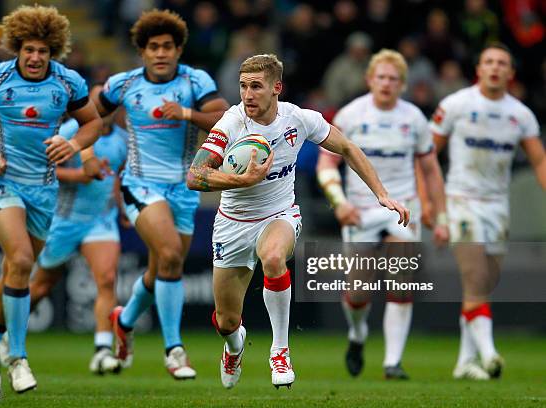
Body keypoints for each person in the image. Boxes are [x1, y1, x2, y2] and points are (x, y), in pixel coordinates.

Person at [186, 54, 410, 389]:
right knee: (226, 321)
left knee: (274, 258)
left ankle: (280, 352)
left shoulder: (298, 119)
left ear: (277, 87)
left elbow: (347, 147)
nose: (247, 94)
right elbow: (196, 175)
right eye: (243, 86)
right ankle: (234, 347)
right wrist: (241, 181)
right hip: (232, 224)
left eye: (256, 87)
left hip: (279, 216)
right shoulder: (231, 123)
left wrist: (381, 193)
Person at [0, 5, 102, 392]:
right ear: (17, 48)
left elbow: (92, 122)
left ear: (53, 52)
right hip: (1, 181)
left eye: (42, 51)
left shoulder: (69, 83)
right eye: (28, 49)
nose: (34, 57)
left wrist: (73, 142)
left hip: (44, 189)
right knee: (22, 259)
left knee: (17, 272)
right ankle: (17, 357)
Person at [91, 9, 229, 379]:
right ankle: (174, 351)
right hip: (140, 185)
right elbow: (91, 110)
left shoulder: (194, 81)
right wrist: (84, 147)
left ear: (178, 49)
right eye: (153, 47)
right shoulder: (125, 84)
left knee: (163, 269)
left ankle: (125, 320)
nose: (161, 53)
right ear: (142, 51)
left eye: (168, 46)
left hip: (184, 189)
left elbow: (223, 117)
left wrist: (185, 113)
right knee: (169, 255)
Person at [315, 49, 449, 380]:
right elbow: (326, 162)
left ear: (402, 84)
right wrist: (339, 201)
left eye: (393, 78)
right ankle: (357, 335)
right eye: (381, 77)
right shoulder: (349, 115)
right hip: (360, 210)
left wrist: (440, 215)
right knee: (359, 290)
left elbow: (430, 169)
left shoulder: (414, 118)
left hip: (401, 208)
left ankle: (392, 362)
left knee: (401, 279)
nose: (387, 83)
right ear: (369, 80)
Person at [429, 43, 545, 380]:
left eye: (502, 63)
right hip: (461, 199)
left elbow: (538, 158)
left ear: (511, 73)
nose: (495, 68)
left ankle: (464, 362)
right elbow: (427, 153)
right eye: (489, 62)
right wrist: (432, 203)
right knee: (475, 275)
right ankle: (490, 353)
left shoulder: (521, 114)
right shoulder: (457, 104)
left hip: (498, 206)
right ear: (479, 69)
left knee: (484, 283)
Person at [0, 113, 127, 375]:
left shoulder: (122, 139)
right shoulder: (69, 130)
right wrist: (78, 174)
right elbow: (42, 167)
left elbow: (116, 175)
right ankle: (3, 332)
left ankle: (102, 350)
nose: (104, 110)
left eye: (109, 104)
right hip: (63, 220)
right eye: (98, 104)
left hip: (100, 219)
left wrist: (122, 206)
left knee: (107, 279)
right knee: (42, 286)